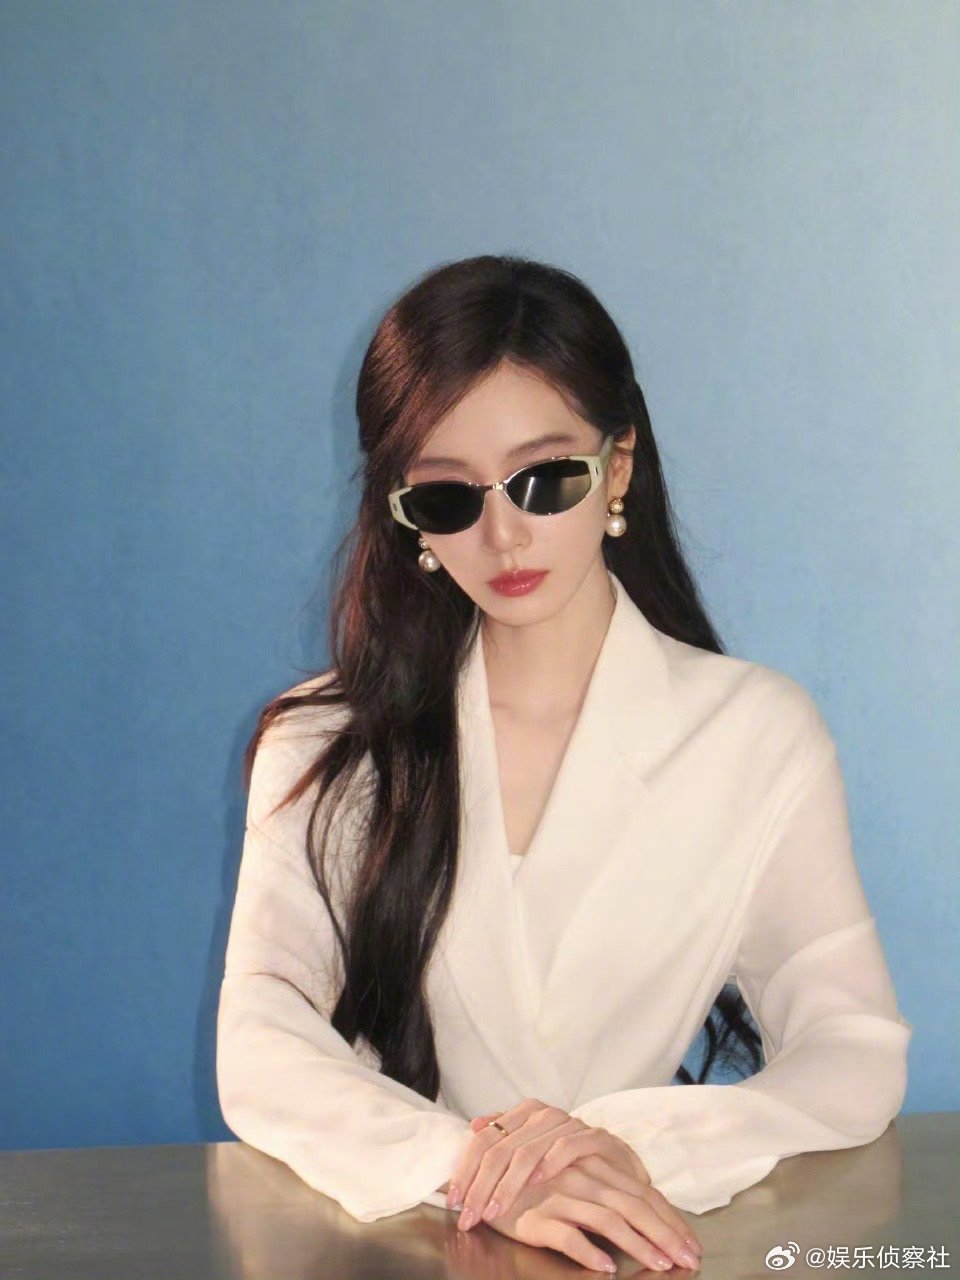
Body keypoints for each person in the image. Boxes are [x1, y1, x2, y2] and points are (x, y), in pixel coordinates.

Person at [216, 254, 912, 1274]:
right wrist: (474, 1168)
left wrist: (629, 1147)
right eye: (447, 497)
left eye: (545, 479)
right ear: (406, 514)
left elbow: (852, 1045)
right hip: (403, 1247)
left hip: (641, 1237)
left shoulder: (757, 736)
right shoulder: (324, 742)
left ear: (618, 466)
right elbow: (261, 1038)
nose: (503, 534)